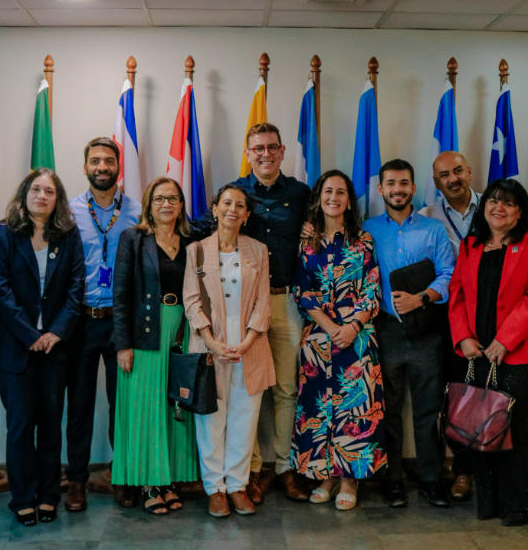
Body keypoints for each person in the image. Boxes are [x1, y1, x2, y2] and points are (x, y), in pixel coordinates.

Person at [192, 123, 311, 502]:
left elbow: (320, 229)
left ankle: (285, 467)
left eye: (272, 148)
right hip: (239, 305)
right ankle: (252, 471)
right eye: (257, 148)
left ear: (281, 151)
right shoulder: (237, 193)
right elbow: (206, 230)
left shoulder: (301, 193)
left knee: (287, 389)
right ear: (249, 153)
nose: (265, 154)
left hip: (285, 300)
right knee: (251, 388)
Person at [447, 178, 528, 527]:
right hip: (475, 351)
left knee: (511, 425)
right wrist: (463, 338)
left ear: (520, 211)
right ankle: (489, 499)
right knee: (479, 425)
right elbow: (458, 294)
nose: (499, 207)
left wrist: (505, 340)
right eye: (494, 200)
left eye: (508, 203)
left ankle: (519, 500)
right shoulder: (471, 245)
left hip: (517, 352)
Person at [0, 169, 85, 526]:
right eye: (36, 189)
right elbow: (0, 290)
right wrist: (31, 335)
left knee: (50, 426)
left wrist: (55, 332)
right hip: (16, 349)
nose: (42, 195)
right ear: (25, 193)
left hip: (56, 349)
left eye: (50, 191)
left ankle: (48, 495)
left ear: (57, 200)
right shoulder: (4, 234)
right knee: (20, 426)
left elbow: (77, 290)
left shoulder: (68, 236)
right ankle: (22, 498)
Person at [363, 159, 455, 508]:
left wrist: (422, 297)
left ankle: (431, 479)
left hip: (426, 332)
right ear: (381, 189)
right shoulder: (368, 230)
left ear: (414, 188)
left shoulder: (433, 229)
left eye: (404, 183)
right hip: (384, 330)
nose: (397, 189)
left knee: (428, 411)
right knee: (388, 411)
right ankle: (393, 480)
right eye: (391, 183)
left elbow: (448, 272)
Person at [292, 170, 385, 510]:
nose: (334, 197)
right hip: (318, 338)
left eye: (341, 191)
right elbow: (302, 289)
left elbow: (372, 288)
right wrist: (331, 327)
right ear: (318, 197)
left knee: (355, 407)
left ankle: (350, 479)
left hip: (358, 338)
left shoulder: (364, 240)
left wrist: (352, 326)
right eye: (328, 191)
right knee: (319, 407)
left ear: (349, 199)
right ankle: (325, 475)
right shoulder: (305, 240)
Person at [112, 177, 201, 516]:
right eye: (160, 198)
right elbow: (120, 295)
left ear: (181, 205)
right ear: (149, 203)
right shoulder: (132, 239)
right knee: (145, 410)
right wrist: (123, 345)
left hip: (182, 331)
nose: (167, 204)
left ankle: (169, 480)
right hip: (145, 335)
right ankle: (149, 482)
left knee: (173, 407)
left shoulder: (192, 240)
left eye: (174, 198)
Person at [184, 184, 274, 518]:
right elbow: (191, 300)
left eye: (240, 205)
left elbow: (264, 300)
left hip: (250, 342)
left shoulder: (259, 250)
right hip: (211, 344)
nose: (233, 209)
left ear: (247, 215)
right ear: (215, 208)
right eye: (227, 203)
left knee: (244, 418)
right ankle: (215, 489)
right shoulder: (197, 250)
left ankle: (237, 486)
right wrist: (211, 341)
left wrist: (248, 340)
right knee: (210, 418)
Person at [65, 137, 142, 511]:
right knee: (78, 405)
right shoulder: (68, 212)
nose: (101, 167)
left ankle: (123, 475)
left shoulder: (138, 212)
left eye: (108, 160)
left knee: (122, 404)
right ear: (85, 167)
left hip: (121, 323)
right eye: (94, 160)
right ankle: (76, 480)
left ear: (118, 166)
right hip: (80, 321)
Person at [418, 150, 479, 501]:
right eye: (444, 175)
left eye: (458, 170)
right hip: (438, 315)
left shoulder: (492, 206)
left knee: (471, 397)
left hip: (481, 317)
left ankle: (468, 470)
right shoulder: (426, 217)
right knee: (440, 397)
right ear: (436, 181)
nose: (452, 178)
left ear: (469, 171)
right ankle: (440, 468)